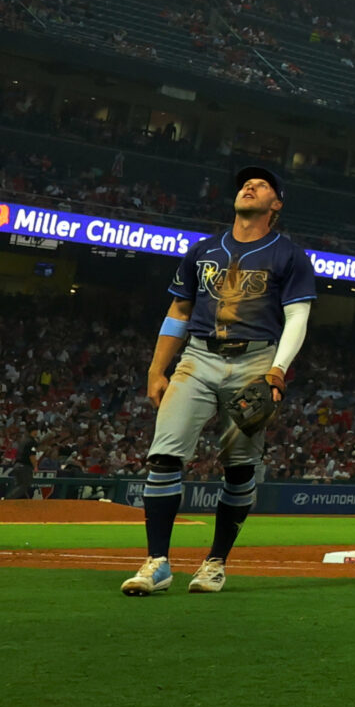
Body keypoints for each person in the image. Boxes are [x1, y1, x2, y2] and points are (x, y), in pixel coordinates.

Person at [121, 166, 315, 597]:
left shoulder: (288, 254)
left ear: (276, 204)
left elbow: (297, 315)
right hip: (198, 357)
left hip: (256, 359)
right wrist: (157, 369)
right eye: (247, 183)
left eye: (261, 185)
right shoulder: (203, 250)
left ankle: (215, 563)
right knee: (165, 455)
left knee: (240, 467)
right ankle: (157, 563)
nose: (249, 186)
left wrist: (278, 368)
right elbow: (179, 311)